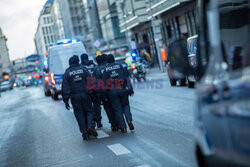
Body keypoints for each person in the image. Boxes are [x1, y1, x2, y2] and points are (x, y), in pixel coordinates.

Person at [62, 55, 98, 141]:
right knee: (89, 111)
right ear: (77, 61)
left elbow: (65, 88)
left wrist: (66, 100)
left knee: (79, 115)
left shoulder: (67, 73)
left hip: (75, 97)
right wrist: (93, 93)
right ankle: (90, 126)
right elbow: (91, 82)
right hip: (86, 95)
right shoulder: (84, 70)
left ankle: (84, 133)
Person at [103, 54, 134, 133]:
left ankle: (123, 127)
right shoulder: (120, 66)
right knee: (126, 105)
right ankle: (129, 120)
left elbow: (104, 83)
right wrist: (130, 90)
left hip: (112, 92)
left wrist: (106, 95)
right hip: (122, 89)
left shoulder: (105, 70)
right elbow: (127, 79)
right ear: (114, 59)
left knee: (117, 109)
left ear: (107, 61)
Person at [94, 54, 118, 131]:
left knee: (108, 109)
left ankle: (113, 124)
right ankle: (119, 122)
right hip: (112, 90)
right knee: (115, 107)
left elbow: (96, 83)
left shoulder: (96, 70)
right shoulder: (108, 67)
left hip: (103, 92)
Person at [81, 53, 102, 128]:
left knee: (89, 107)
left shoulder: (81, 67)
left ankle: (93, 121)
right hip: (96, 88)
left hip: (87, 90)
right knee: (97, 105)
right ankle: (99, 121)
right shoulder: (93, 65)